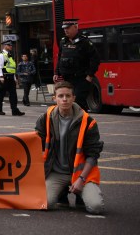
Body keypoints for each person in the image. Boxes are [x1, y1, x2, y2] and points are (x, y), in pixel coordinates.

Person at [35, 80, 104, 214]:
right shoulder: (45, 118)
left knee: (96, 207)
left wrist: (81, 179)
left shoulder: (88, 122)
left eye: (68, 96)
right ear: (55, 98)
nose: (64, 99)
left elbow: (93, 155)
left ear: (74, 98)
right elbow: (35, 143)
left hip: (81, 173)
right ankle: (62, 194)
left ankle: (81, 195)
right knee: (44, 203)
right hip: (56, 172)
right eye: (60, 96)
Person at [54, 19, 100, 110]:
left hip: (80, 79)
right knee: (68, 104)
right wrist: (56, 73)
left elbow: (95, 59)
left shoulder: (84, 42)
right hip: (67, 78)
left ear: (75, 27)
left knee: (78, 103)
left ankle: (82, 122)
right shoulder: (63, 41)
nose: (65, 30)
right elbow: (60, 58)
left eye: (68, 28)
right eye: (64, 28)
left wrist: (90, 75)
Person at [0, 40, 24, 116]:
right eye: (9, 45)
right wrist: (1, 77)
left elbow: (12, 68)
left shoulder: (10, 55)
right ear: (5, 46)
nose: (11, 46)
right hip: (4, 77)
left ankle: (14, 110)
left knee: (13, 95)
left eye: (11, 45)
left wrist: (15, 78)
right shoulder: (1, 55)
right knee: (1, 94)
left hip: (11, 77)